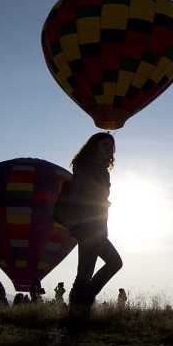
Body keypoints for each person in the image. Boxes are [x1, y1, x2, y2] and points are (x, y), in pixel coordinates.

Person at [55, 132, 123, 322]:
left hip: (96, 227)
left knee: (86, 271)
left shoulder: (102, 170)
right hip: (87, 226)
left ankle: (79, 308)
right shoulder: (84, 166)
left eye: (111, 146)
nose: (109, 149)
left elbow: (98, 200)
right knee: (108, 264)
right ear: (94, 146)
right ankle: (82, 304)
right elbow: (83, 195)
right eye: (105, 144)